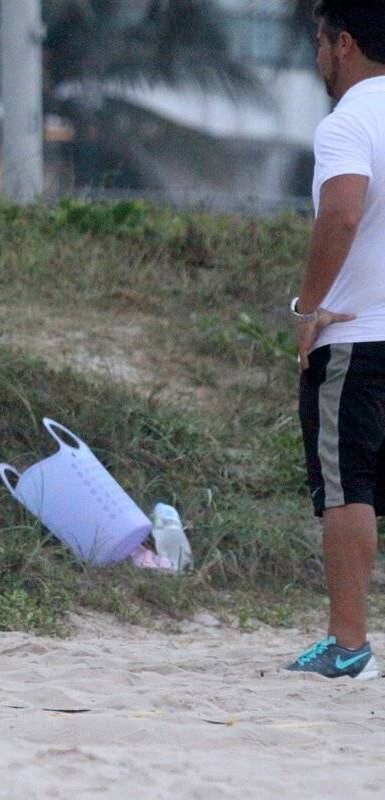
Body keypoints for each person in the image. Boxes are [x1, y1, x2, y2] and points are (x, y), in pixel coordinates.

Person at [289, 0, 385, 680]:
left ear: (343, 44)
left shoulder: (349, 119)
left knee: (347, 486)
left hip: (358, 337)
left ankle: (349, 644)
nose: (317, 56)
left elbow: (343, 212)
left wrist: (310, 307)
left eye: (319, 42)